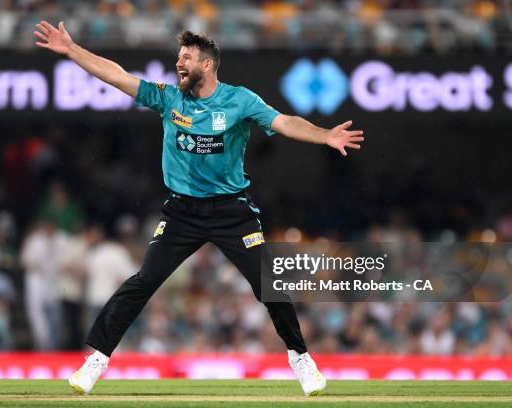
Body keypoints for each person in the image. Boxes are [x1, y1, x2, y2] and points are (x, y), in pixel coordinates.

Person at [34, 21, 364, 396]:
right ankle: (96, 361)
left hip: (231, 211)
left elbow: (283, 122)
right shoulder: (169, 99)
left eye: (186, 58)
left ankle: (300, 358)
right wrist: (73, 50)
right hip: (181, 213)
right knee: (143, 282)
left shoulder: (240, 100)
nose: (179, 63)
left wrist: (325, 135)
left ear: (207, 65)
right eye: (178, 57)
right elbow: (118, 76)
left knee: (268, 285)